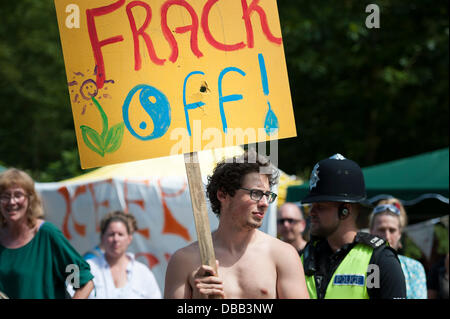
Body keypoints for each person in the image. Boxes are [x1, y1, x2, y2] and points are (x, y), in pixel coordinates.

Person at [164, 151, 309, 299]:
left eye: (267, 195)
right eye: (256, 194)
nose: (265, 203)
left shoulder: (282, 255)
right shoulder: (185, 260)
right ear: (223, 195)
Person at [300, 154, 406, 299]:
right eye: (312, 205)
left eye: (320, 206)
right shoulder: (303, 257)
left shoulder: (379, 261)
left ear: (345, 211)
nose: (311, 212)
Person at [0, 168, 94, 298]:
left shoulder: (47, 235)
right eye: (5, 196)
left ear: (30, 199)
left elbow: (83, 281)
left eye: (18, 195)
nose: (12, 202)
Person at [86, 210, 162, 299]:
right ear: (103, 238)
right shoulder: (89, 268)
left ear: (129, 239)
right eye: (111, 234)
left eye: (120, 234)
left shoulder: (143, 273)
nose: (116, 239)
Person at [369, 198, 428, 299]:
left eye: (392, 230)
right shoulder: (358, 263)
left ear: (400, 234)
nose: (387, 236)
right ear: (371, 231)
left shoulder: (413, 268)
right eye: (381, 229)